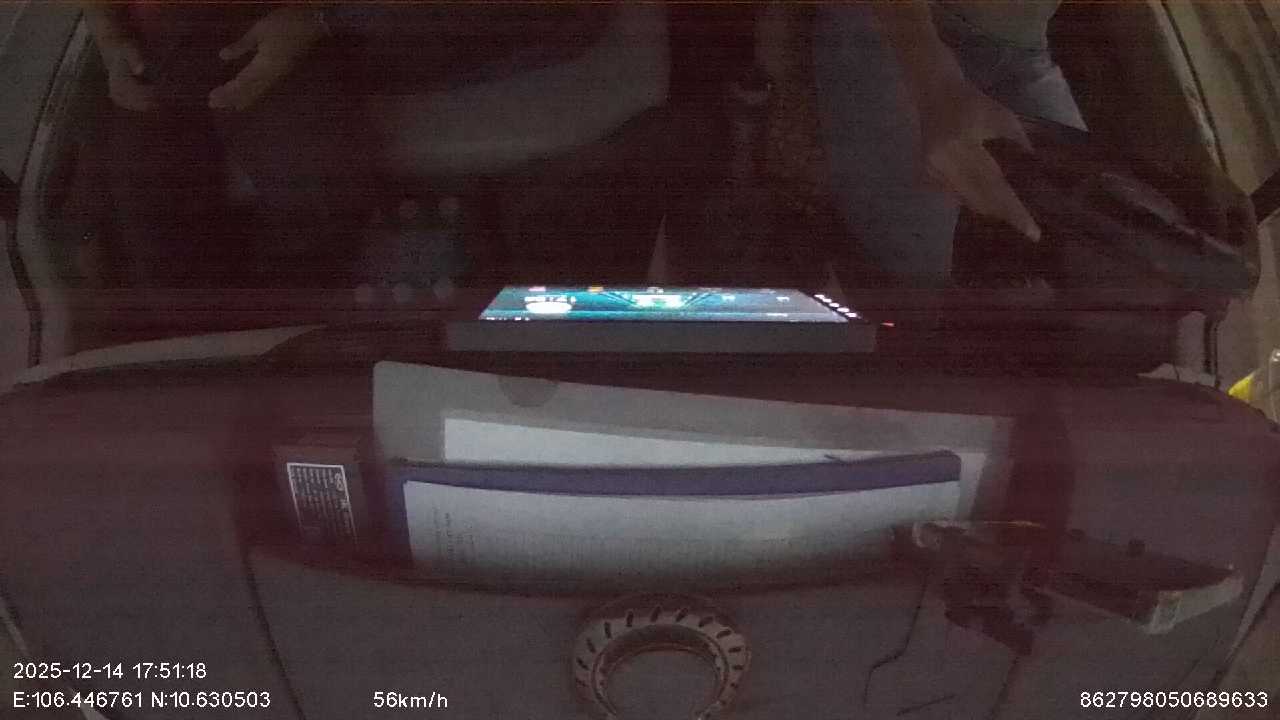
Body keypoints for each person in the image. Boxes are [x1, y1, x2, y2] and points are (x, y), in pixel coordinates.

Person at [813, 1, 1257, 289]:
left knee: (1089, 258)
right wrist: (934, 82)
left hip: (1022, 51)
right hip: (887, 21)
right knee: (930, 273)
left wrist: (1192, 157)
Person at [83, 2, 372, 287]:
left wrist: (316, 19)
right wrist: (112, 45)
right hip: (152, 59)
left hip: (284, 36)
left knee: (319, 225)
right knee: (152, 261)